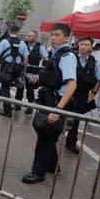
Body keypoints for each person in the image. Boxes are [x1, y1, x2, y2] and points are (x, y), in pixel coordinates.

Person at [22, 23, 77, 184]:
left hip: (57, 103)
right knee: (49, 135)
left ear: (66, 37)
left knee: (45, 138)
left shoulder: (67, 57)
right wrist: (37, 78)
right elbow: (53, 76)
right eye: (52, 35)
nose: (53, 38)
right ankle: (52, 166)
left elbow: (72, 84)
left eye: (58, 35)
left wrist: (58, 109)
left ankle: (37, 172)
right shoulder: (55, 54)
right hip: (50, 100)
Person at [65, 36, 100, 154]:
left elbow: (99, 79)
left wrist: (93, 93)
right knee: (61, 115)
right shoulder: (72, 58)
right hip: (67, 93)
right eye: (81, 44)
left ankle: (71, 142)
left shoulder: (95, 63)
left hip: (82, 95)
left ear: (91, 47)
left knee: (76, 119)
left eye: (86, 45)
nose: (83, 47)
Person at [0, 25, 29, 117]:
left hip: (6, 68)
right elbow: (26, 58)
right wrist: (23, 70)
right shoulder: (22, 43)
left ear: (9, 31)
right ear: (18, 32)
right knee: (5, 85)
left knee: (5, 87)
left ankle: (7, 111)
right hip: (17, 69)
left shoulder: (4, 41)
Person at [15, 30, 48, 115]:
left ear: (35, 37)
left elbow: (46, 59)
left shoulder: (40, 47)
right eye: (27, 35)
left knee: (30, 89)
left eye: (30, 36)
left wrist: (42, 71)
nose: (28, 37)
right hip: (22, 68)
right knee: (20, 87)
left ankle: (30, 107)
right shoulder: (23, 44)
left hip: (33, 70)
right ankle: (17, 104)